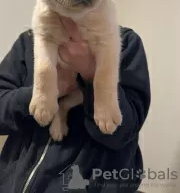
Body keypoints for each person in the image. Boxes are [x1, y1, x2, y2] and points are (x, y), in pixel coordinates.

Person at [0, 18, 151, 193]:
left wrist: (90, 73)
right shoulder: (29, 41)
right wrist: (45, 92)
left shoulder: (125, 42)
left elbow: (123, 132)